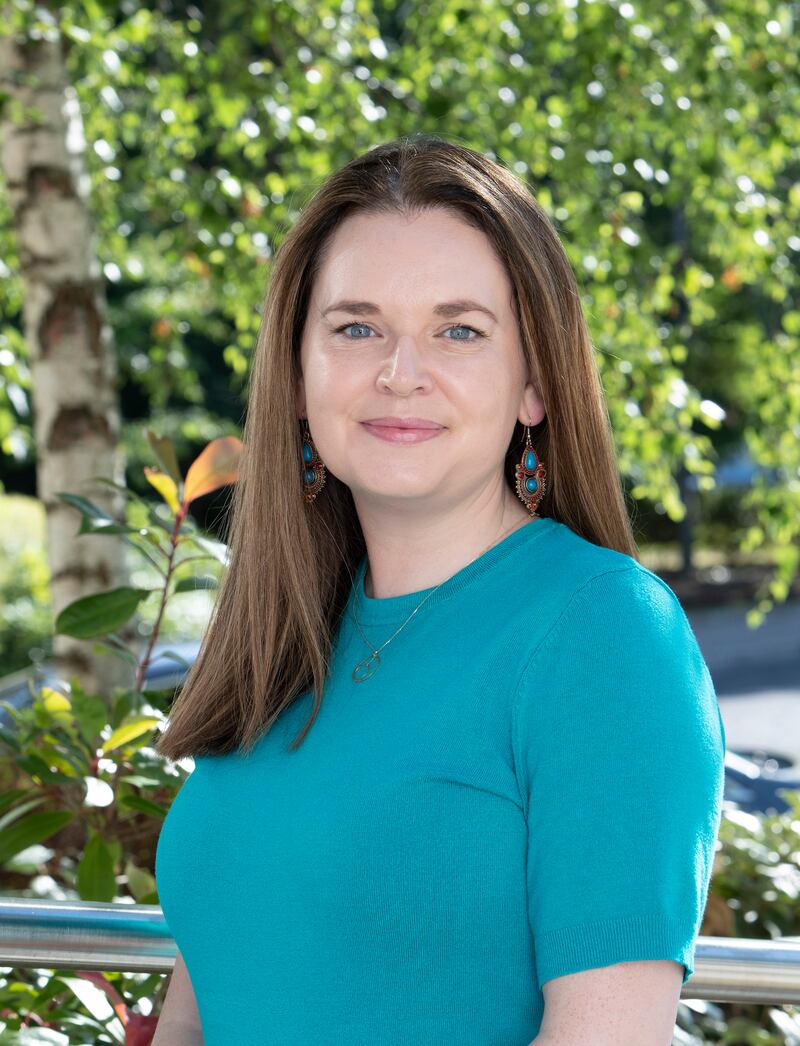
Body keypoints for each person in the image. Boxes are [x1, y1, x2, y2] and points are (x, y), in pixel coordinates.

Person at [152, 134, 725, 1045]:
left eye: (459, 329)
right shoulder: (283, 633)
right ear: (298, 377)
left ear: (535, 381)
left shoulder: (606, 634)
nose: (401, 371)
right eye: (356, 327)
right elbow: (202, 1009)